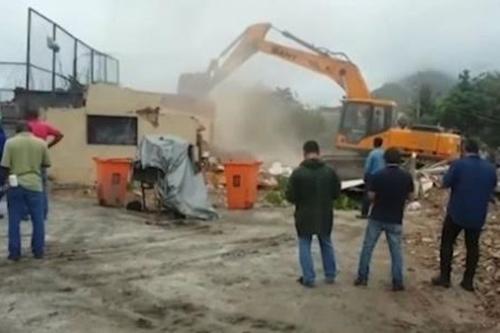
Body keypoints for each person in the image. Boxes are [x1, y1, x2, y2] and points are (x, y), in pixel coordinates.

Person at [432, 139, 497, 292]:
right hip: (478, 214)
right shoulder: (489, 168)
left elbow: (445, 183)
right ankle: (468, 281)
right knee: (473, 247)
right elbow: (492, 187)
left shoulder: (459, 165)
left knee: (447, 243)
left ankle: (445, 278)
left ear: (464, 149)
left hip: (457, 212)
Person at [354, 147, 414, 291]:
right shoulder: (406, 177)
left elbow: (371, 196)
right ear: (399, 160)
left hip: (377, 217)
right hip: (395, 219)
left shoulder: (378, 175)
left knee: (368, 248)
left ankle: (362, 277)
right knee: (396, 252)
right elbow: (411, 197)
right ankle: (397, 281)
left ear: (385, 159)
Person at [286, 140, 341, 287]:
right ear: (319, 152)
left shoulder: (298, 173)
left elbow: (290, 196)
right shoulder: (329, 171)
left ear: (304, 153)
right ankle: (330, 275)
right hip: (325, 214)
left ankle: (309, 278)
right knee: (326, 242)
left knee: (304, 244)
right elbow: (336, 193)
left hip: (304, 215)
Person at [1, 121, 51, 261]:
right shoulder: (41, 143)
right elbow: (46, 163)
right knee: (38, 220)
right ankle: (38, 251)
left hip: (16, 185)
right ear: (31, 131)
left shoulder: (10, 143)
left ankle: (15, 253)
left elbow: (4, 166)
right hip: (35, 185)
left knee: (14, 221)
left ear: (17, 131)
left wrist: (2, 185)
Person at [25, 108, 63, 220]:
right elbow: (60, 135)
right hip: (41, 159)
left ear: (28, 116)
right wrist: (48, 146)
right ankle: (43, 213)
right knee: (42, 186)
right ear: (37, 115)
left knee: (26, 185)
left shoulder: (26, 127)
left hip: (27, 159)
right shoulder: (44, 126)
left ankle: (26, 213)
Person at [358, 137, 386, 219]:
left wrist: (365, 176)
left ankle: (364, 214)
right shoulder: (384, 153)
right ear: (381, 144)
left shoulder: (372, 153)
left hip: (372, 176)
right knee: (379, 196)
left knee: (367, 195)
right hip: (382, 176)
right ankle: (377, 214)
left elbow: (368, 167)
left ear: (374, 143)